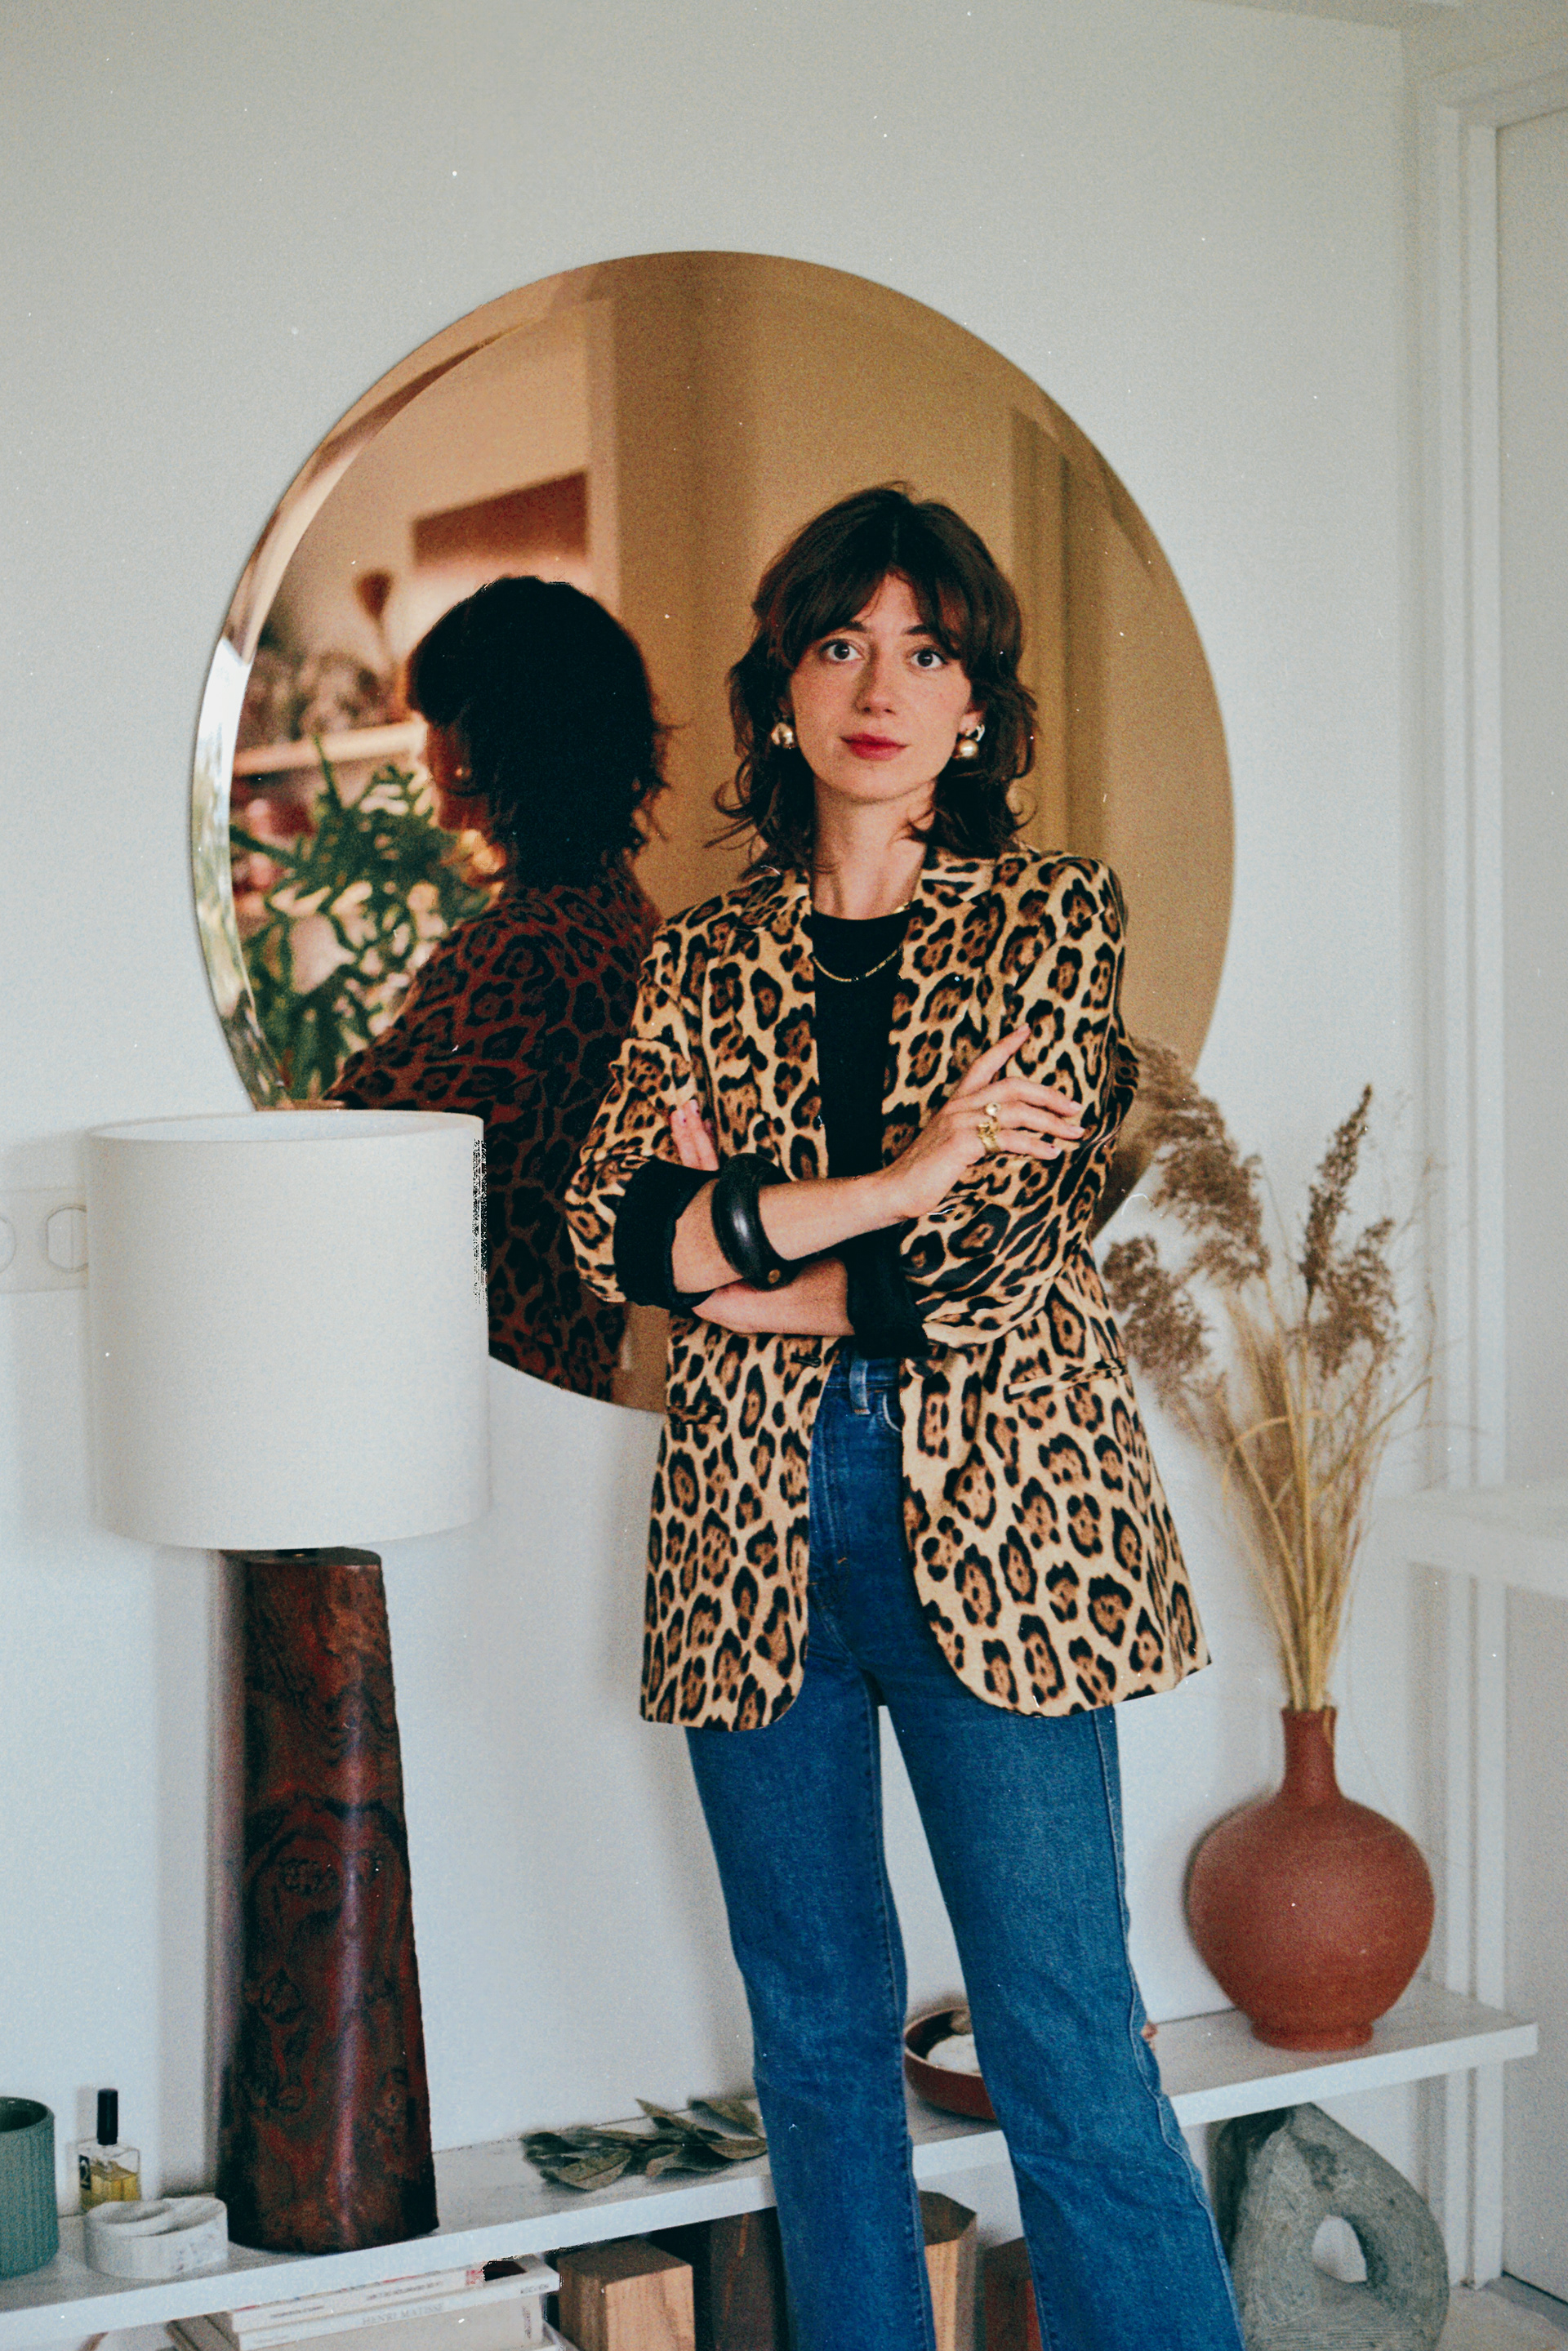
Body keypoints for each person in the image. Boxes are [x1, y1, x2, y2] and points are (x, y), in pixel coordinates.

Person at [565, 486, 1243, 2350]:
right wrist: (897, 1176)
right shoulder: (701, 956)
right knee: (813, 2036)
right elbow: (608, 1226)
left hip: (1004, 1520)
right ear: (783, 689)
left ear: (975, 705)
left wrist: (747, 1256)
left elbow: (999, 1252)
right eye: (840, 644)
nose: (880, 686)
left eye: (925, 650)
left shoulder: (1049, 917)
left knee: (1061, 2029)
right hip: (748, 1527)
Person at [332, 575, 663, 1400]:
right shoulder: (625, 913)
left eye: (437, 722)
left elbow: (348, 1151)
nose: (425, 752)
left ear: (495, 738)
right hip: (566, 1366)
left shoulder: (515, 951)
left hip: (482, 1375)